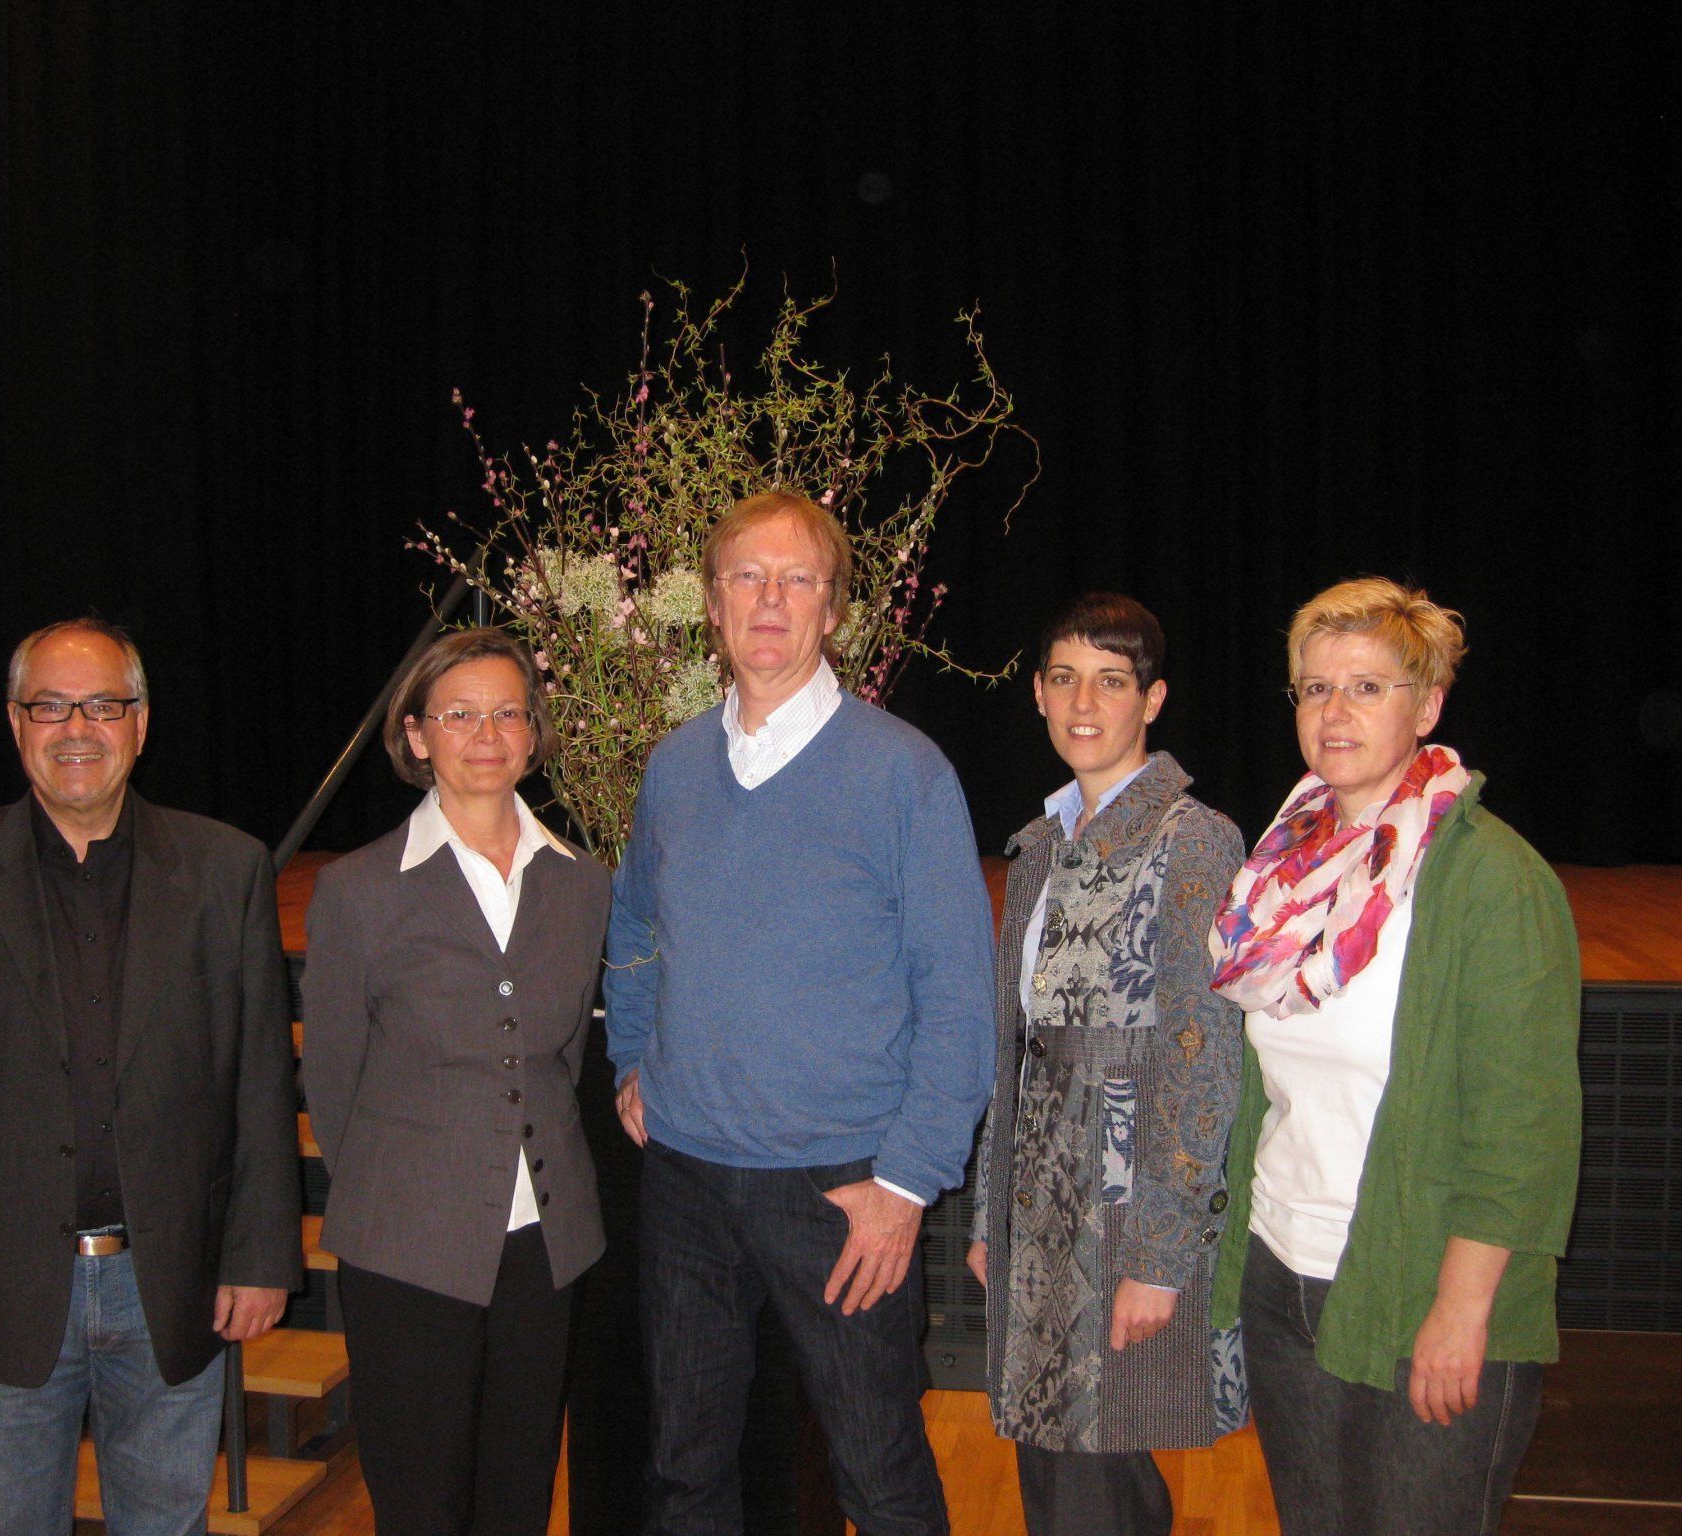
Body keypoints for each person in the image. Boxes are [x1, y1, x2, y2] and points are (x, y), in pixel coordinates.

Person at [605, 489, 997, 1535]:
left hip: (842, 1192)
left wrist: (907, 1184)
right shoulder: (673, 766)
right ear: (713, 603)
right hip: (684, 1180)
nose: (769, 598)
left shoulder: (903, 774)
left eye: (797, 579)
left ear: (833, 611)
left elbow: (960, 998)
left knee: (880, 1476)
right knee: (685, 1469)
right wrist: (633, 1053)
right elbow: (635, 924)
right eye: (746, 575)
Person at [0, 618, 302, 1536]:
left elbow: (260, 1085)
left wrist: (260, 1257)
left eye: (102, 705)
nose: (77, 728)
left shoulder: (228, 873)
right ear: (17, 724)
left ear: (140, 724)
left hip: (172, 1286)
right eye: (51, 706)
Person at [1207, 578, 1581, 1536]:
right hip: (1284, 1274)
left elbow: (1523, 1131)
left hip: (1421, 1287)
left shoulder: (1491, 879)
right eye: (1315, 688)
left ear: (1428, 706)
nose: (1335, 712)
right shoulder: (1282, 872)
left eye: (1368, 688)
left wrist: (1462, 1312)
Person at [299, 627, 611, 1536]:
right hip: (407, 1247)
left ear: (533, 734)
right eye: (460, 714)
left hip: (545, 1247)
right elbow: (333, 1076)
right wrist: (408, 1192)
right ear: (416, 735)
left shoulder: (583, 885)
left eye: (508, 713)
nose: (487, 734)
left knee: (516, 1497)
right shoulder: (358, 891)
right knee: (422, 1503)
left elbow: (569, 1066)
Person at [967, 593, 1246, 1536]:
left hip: (1118, 1210)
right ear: (1039, 695)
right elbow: (1012, 1051)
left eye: (1112, 680)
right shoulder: (1044, 844)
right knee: (1051, 1456)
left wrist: (1164, 1258)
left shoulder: (1191, 838)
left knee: (1100, 1467)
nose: (1085, 700)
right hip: (1037, 1202)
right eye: (1064, 678)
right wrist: (987, 1215)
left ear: (1153, 699)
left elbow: (1202, 1059)